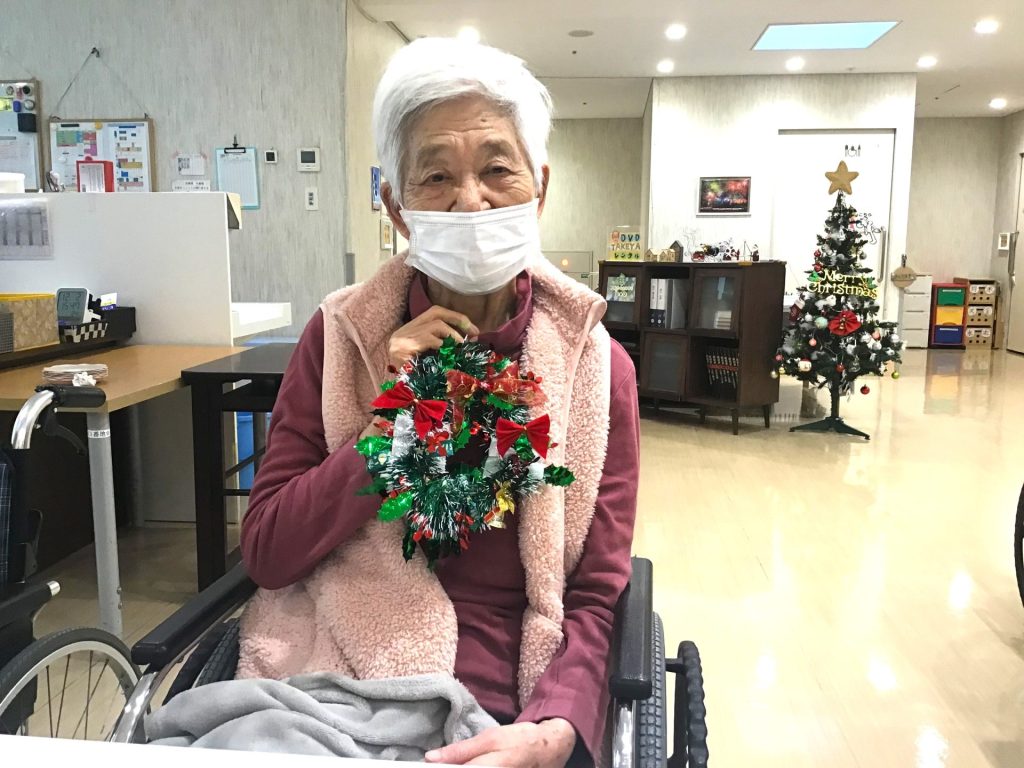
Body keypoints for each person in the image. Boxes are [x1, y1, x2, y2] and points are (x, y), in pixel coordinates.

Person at [238, 37, 639, 768]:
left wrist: (553, 726)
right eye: (436, 176)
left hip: (507, 698)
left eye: (497, 169)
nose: (471, 200)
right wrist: (394, 422)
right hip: (336, 675)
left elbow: (596, 589)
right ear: (397, 208)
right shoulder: (341, 339)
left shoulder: (596, 367)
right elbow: (268, 552)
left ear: (540, 188)